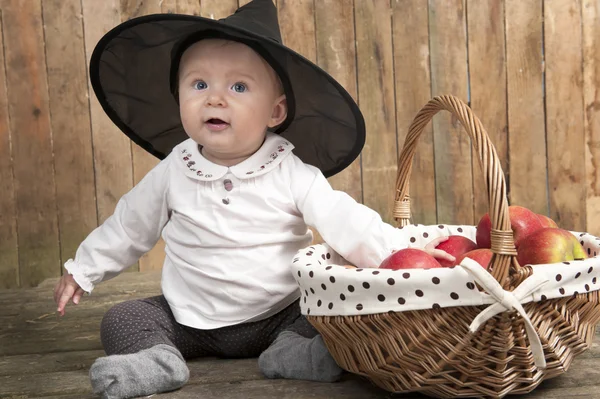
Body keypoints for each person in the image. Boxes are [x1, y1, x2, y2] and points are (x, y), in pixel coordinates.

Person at [53, 1, 454, 398]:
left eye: (238, 87)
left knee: (331, 306)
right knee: (123, 318)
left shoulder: (291, 171)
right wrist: (84, 269)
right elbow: (130, 225)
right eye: (198, 85)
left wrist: (404, 251)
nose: (214, 99)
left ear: (275, 111)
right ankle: (158, 360)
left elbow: (344, 220)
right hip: (188, 319)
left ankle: (289, 352)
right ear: (178, 98)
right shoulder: (176, 169)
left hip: (279, 313)